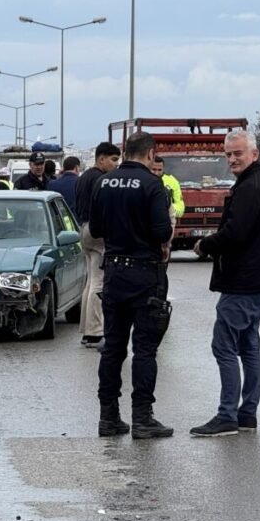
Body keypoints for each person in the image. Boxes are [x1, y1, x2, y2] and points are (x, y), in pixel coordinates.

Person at [190, 129, 260, 437]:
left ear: (254, 154)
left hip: (244, 284)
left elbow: (235, 233)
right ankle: (247, 415)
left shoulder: (250, 188)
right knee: (248, 347)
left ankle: (227, 415)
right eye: (228, 154)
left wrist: (205, 244)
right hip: (259, 282)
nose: (232, 159)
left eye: (238, 153)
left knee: (224, 346)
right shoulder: (259, 184)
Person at [90, 131, 174, 439]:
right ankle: (142, 418)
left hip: (114, 272)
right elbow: (162, 231)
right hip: (144, 275)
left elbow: (96, 228)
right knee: (145, 350)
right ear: (151, 154)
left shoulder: (104, 183)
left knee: (112, 348)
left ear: (125, 152)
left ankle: (108, 417)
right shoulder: (153, 185)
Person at [74, 142, 121, 348]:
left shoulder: (84, 177)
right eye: (113, 159)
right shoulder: (101, 179)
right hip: (97, 231)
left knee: (91, 281)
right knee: (99, 282)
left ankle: (87, 330)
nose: (116, 164)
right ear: (101, 159)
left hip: (84, 229)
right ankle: (94, 332)